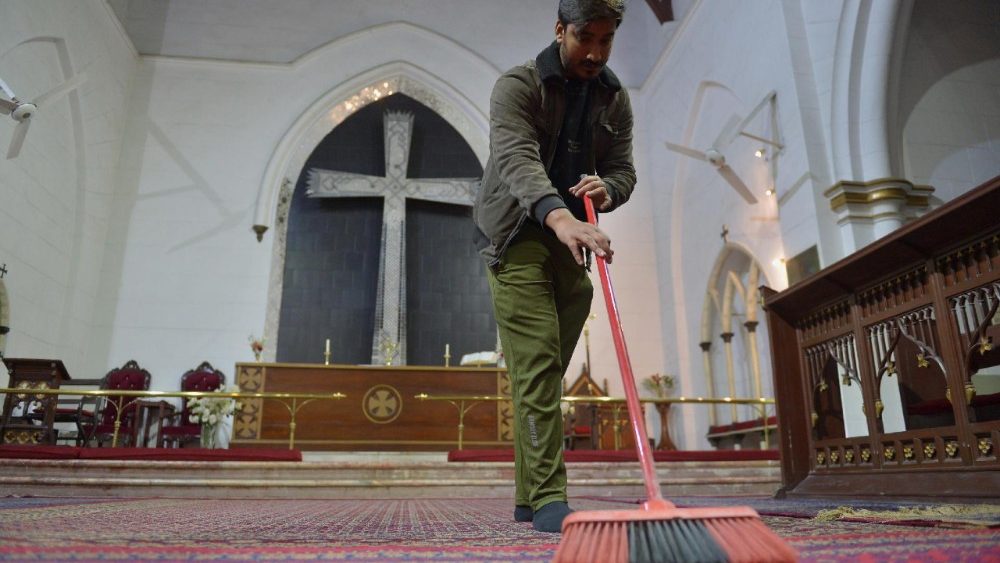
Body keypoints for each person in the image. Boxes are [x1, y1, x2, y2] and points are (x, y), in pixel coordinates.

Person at [472, 0, 636, 534]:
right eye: (585, 37)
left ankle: (526, 495)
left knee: (539, 371)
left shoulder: (614, 99)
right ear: (560, 29)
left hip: (571, 244)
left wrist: (608, 190)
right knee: (539, 366)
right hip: (517, 236)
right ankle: (548, 498)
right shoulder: (517, 87)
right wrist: (561, 218)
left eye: (606, 40)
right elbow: (517, 159)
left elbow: (623, 170)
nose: (595, 51)